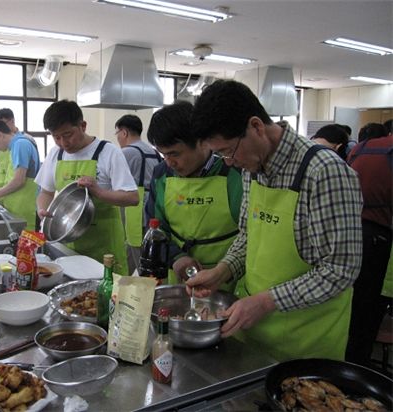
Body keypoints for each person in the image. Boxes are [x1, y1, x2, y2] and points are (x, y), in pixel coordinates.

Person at [188, 79, 363, 362]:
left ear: (256, 126)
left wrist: (267, 301)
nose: (228, 162)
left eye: (228, 151)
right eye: (219, 155)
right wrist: (223, 270)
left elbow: (340, 269)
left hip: (306, 342)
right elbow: (249, 234)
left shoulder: (324, 172)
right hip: (251, 330)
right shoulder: (251, 165)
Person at [145, 101, 243, 286]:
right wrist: (176, 257)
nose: (169, 162)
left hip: (231, 281)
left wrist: (224, 270)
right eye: (163, 154)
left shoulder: (234, 173)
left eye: (175, 154)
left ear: (203, 142)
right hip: (183, 280)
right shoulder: (162, 175)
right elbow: (156, 228)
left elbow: (251, 234)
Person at [35, 100, 138, 275]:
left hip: (105, 247)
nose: (63, 143)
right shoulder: (56, 154)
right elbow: (45, 192)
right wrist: (42, 210)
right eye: (56, 137)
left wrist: (98, 192)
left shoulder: (108, 152)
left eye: (68, 135)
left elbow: (132, 198)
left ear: (82, 126)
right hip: (68, 243)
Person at [345, 125, 392, 367]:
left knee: (354, 306)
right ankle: (359, 367)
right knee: (369, 311)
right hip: (381, 241)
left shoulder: (360, 149)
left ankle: (348, 361)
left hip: (351, 231)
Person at [115, 114, 162, 274]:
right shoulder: (154, 151)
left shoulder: (126, 152)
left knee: (138, 253)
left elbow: (112, 180)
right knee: (143, 248)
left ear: (124, 132)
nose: (118, 139)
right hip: (153, 204)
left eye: (118, 134)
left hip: (134, 206)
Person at [0, 120, 40, 230]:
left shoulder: (20, 144)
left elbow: (19, 180)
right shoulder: (14, 147)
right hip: (17, 209)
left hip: (26, 210)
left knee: (26, 246)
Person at [0, 108, 40, 193]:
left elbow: (33, 169)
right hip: (0, 193)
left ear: (12, 121)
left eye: (2, 124)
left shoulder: (25, 141)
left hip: (20, 193)